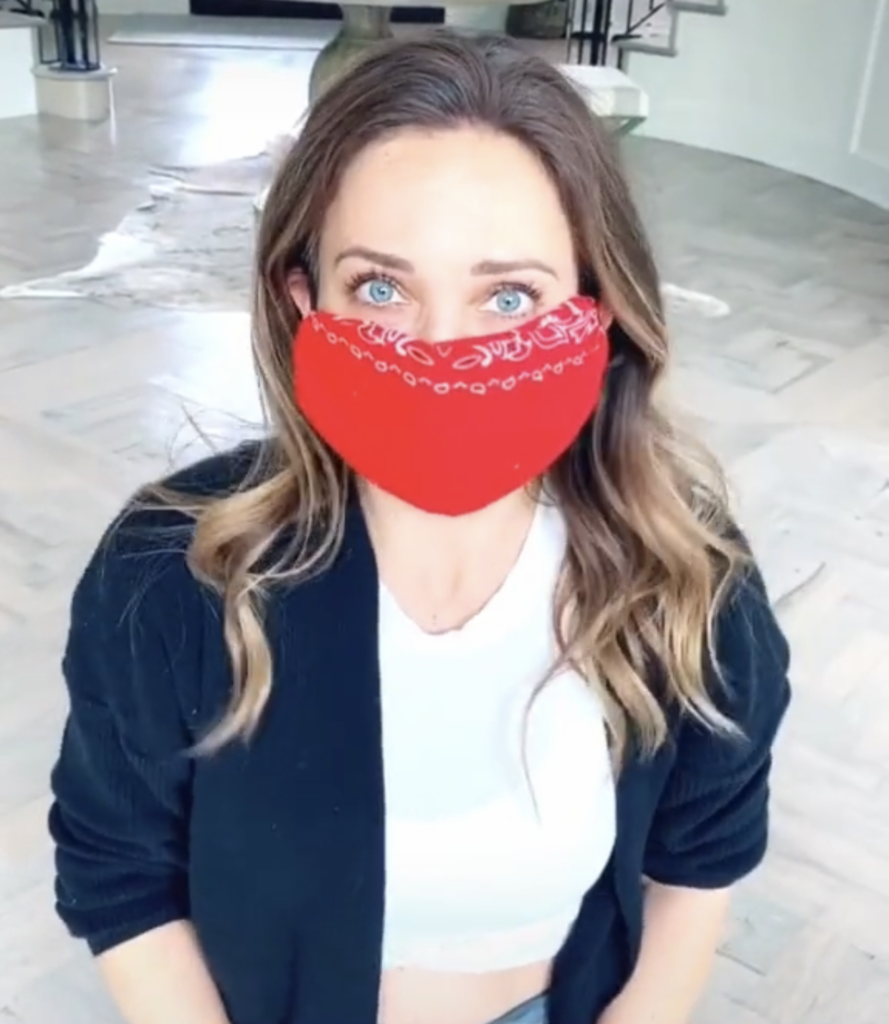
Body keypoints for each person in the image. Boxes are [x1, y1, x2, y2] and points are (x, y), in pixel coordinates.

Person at [48, 30, 791, 1024]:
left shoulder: (690, 580)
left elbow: (699, 864)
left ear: (595, 311)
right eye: (382, 288)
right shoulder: (167, 573)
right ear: (301, 297)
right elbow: (119, 866)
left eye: (510, 295)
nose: (443, 350)